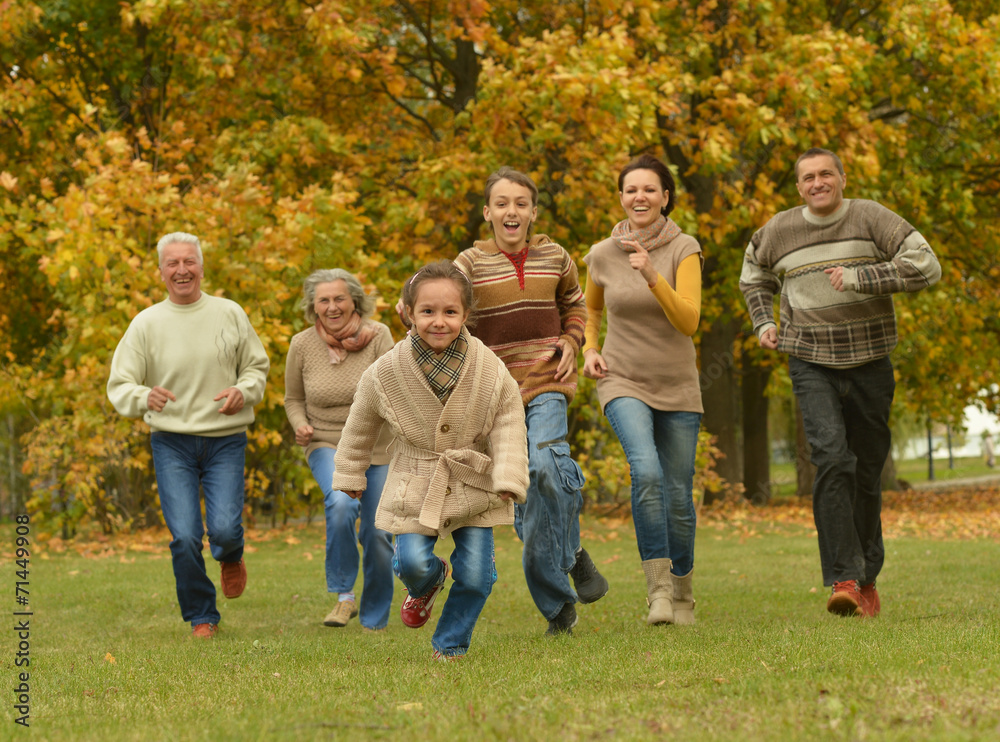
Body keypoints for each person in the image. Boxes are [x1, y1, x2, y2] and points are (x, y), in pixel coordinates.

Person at [740, 147, 941, 618]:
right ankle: (843, 579)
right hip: (810, 358)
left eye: (825, 174)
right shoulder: (779, 229)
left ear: (842, 178)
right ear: (799, 187)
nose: (817, 183)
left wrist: (862, 278)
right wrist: (763, 322)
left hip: (871, 360)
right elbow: (754, 276)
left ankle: (867, 575)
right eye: (807, 177)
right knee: (832, 459)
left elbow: (928, 267)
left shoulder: (873, 218)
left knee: (866, 472)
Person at [333, 261, 528, 660]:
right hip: (414, 476)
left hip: (472, 480)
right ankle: (430, 580)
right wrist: (350, 471)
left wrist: (508, 475)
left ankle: (450, 644)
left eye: (450, 312)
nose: (439, 321)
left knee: (475, 575)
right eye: (428, 311)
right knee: (410, 562)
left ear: (466, 315)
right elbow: (361, 422)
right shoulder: (384, 371)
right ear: (407, 312)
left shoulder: (490, 368)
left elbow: (508, 418)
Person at [454, 167, 609, 636]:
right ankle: (571, 558)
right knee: (522, 494)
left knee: (546, 468)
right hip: (495, 395)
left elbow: (575, 305)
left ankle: (558, 595)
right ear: (487, 213)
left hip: (547, 380)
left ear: (533, 212)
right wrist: (409, 304)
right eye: (501, 203)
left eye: (520, 203)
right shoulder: (469, 264)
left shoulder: (555, 256)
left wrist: (572, 340)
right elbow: (441, 296)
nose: (511, 211)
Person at [107, 232, 269, 638]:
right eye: (173, 264)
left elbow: (256, 368)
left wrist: (243, 391)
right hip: (171, 442)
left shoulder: (230, 313)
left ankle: (230, 554)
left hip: (225, 439)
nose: (182, 270)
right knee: (183, 536)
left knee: (226, 530)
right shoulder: (146, 323)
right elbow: (120, 384)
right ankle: (202, 616)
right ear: (161, 271)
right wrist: (145, 395)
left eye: (189, 262)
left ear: (201, 266)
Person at [582, 154, 704, 626]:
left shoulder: (684, 248)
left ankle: (683, 593)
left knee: (677, 492)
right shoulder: (601, 253)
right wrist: (590, 349)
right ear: (620, 197)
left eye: (650, 189)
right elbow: (591, 312)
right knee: (647, 473)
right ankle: (657, 593)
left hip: (677, 384)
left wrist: (653, 274)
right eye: (631, 189)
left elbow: (689, 321)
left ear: (665, 197)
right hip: (622, 377)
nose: (640, 197)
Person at [284, 269, 396, 630]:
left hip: (375, 445)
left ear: (354, 300)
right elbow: (293, 399)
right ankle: (345, 597)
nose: (332, 307)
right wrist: (299, 424)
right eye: (323, 300)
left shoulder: (379, 337)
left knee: (378, 531)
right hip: (326, 441)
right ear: (313, 306)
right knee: (341, 501)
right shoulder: (301, 344)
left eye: (339, 299)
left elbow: (394, 388)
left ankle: (375, 615)